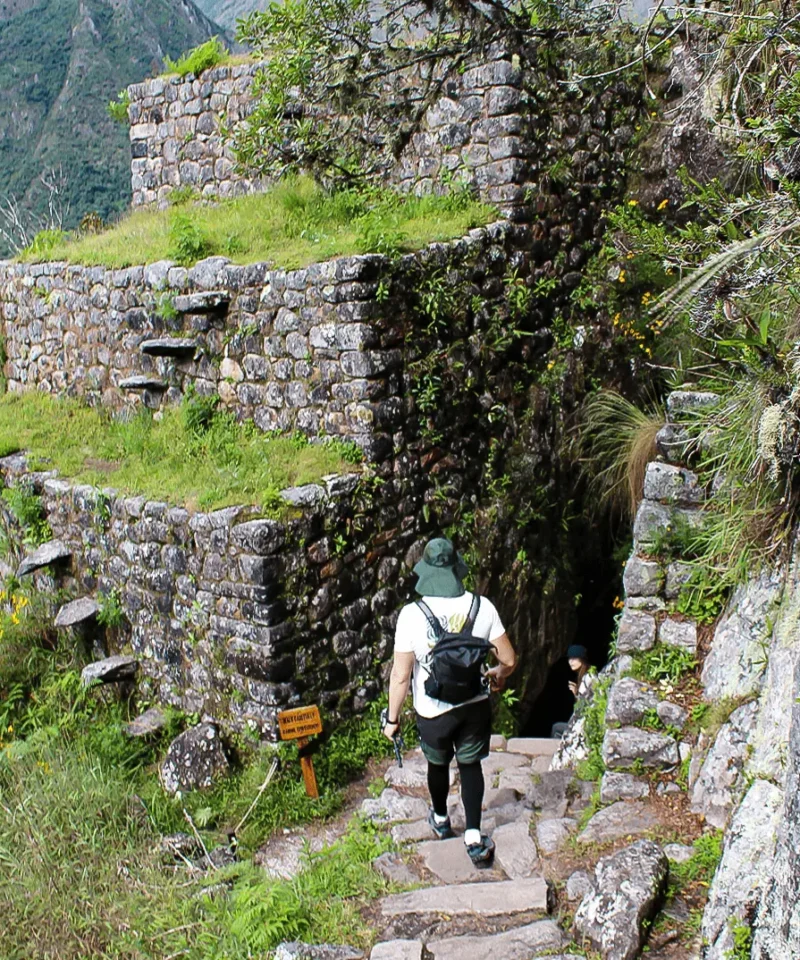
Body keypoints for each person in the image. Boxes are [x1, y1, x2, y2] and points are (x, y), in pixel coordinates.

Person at [382, 537, 517, 867]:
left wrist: (393, 719)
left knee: (437, 764)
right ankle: (473, 836)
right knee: (470, 766)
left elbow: (401, 675)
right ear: (457, 568)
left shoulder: (412, 615)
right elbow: (509, 659)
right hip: (473, 704)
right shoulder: (481, 607)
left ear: (427, 572)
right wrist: (498, 676)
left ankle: (441, 818)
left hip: (432, 711)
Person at [550, 644, 591, 738]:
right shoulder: (584, 677)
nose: (571, 661)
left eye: (575, 658)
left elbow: (586, 705)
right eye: (569, 658)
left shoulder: (588, 678)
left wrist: (576, 694)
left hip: (584, 725)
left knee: (556, 728)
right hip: (581, 722)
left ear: (582, 659)